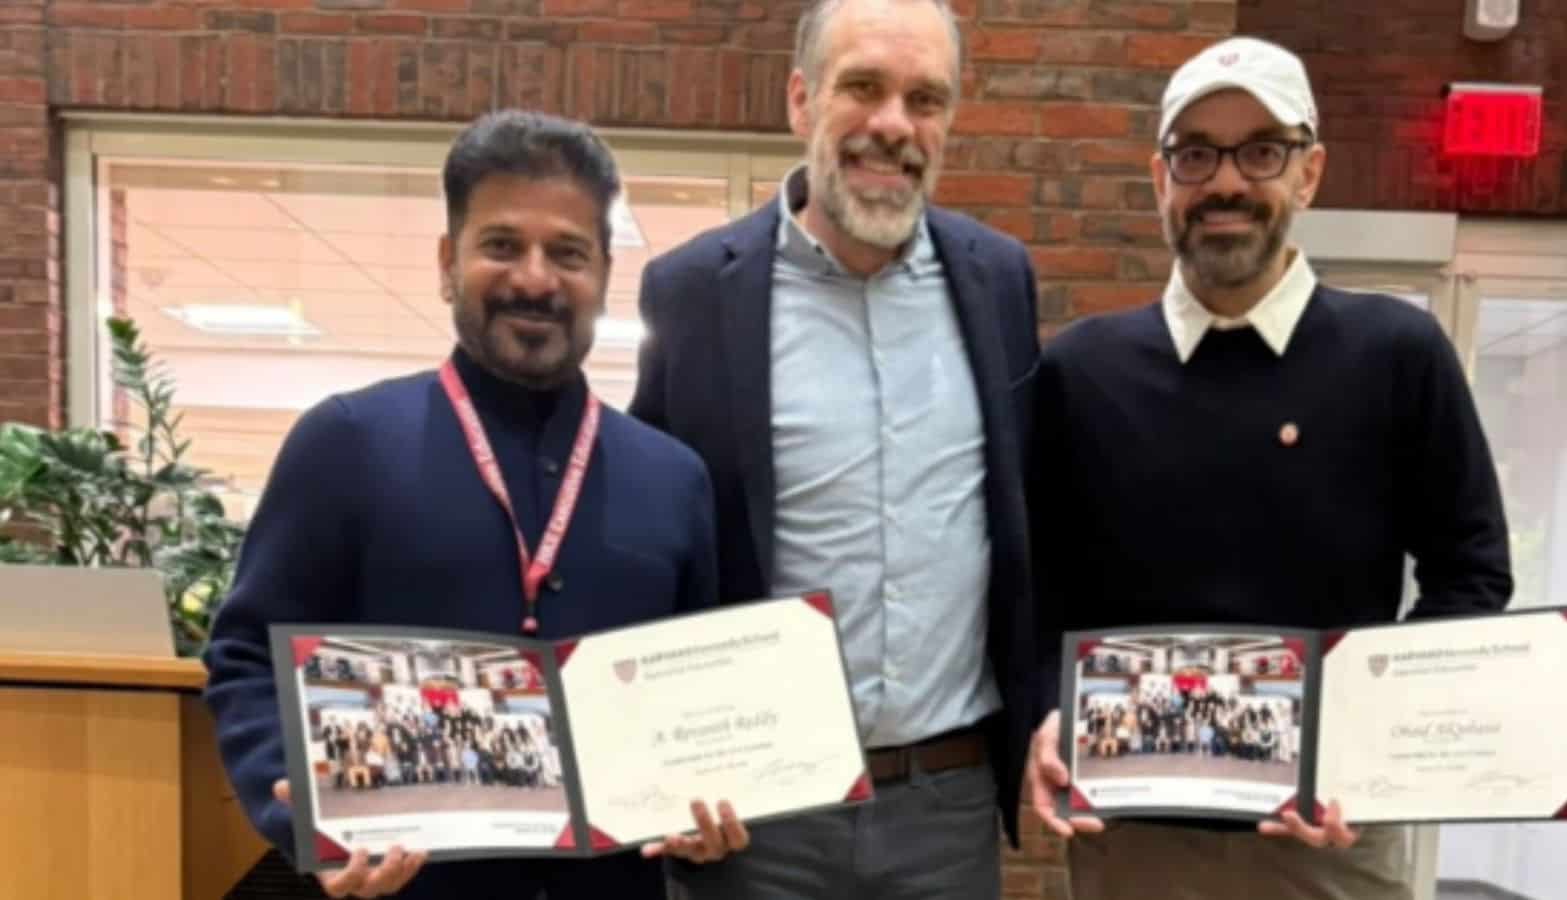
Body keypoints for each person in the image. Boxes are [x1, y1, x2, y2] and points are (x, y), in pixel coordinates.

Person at [202, 110, 748, 900]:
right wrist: (306, 812)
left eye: (568, 252)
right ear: (447, 263)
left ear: (603, 275)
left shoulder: (674, 479)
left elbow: (695, 701)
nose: (534, 277)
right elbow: (246, 657)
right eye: (501, 245)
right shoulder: (346, 442)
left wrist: (709, 808)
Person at [1023, 36, 1513, 899]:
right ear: (1160, 178)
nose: (1225, 183)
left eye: (1261, 151)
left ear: (1309, 172)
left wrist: (1382, 744)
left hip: (1327, 843)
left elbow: (1470, 576)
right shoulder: (1082, 369)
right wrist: (1043, 711)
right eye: (1196, 154)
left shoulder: (1399, 353)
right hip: (1132, 844)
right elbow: (1038, 587)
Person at [628, 0, 1040, 895]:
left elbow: (1023, 519)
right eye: (863, 87)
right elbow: (651, 546)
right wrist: (658, 769)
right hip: (757, 818)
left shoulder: (998, 279)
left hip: (948, 805)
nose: (894, 125)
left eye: (925, 98)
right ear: (800, 101)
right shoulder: (694, 292)